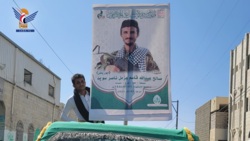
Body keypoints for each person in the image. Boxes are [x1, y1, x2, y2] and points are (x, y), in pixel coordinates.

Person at [95, 19, 160, 72]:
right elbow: (96, 68)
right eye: (125, 32)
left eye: (132, 32)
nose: (128, 36)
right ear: (121, 34)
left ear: (137, 34)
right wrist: (106, 67)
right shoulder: (115, 56)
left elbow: (157, 75)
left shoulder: (145, 57)